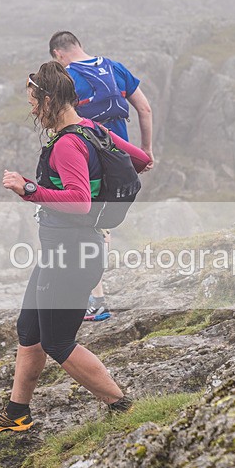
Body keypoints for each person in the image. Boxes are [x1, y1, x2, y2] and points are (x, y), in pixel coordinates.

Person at [0, 61, 151, 434]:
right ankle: (17, 411)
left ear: (49, 100)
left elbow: (80, 201)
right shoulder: (92, 129)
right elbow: (142, 159)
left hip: (72, 255)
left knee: (58, 342)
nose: (33, 110)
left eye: (35, 102)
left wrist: (30, 189)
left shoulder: (69, 143)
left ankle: (126, 408)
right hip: (67, 251)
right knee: (29, 328)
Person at [49, 31, 155, 322]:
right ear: (78, 45)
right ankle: (93, 297)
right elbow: (144, 108)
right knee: (100, 225)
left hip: (89, 159)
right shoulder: (115, 67)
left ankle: (94, 300)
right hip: (120, 159)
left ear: (57, 53)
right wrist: (144, 150)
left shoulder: (68, 78)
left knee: (89, 225)